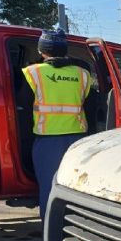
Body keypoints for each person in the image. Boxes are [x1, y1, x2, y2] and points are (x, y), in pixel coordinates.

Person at [22, 29, 91, 221]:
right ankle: (77, 231)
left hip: (47, 141)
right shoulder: (82, 74)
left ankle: (49, 234)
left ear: (41, 51)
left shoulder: (32, 73)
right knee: (76, 187)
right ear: (65, 50)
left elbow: (23, 107)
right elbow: (90, 106)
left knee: (49, 188)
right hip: (78, 140)